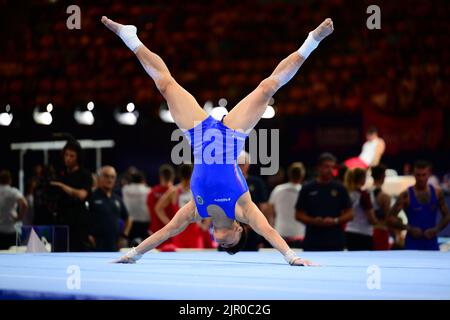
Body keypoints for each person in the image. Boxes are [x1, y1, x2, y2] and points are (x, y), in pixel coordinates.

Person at [102, 15, 335, 266]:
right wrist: (292, 257)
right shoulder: (243, 209)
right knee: (267, 88)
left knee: (166, 85)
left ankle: (129, 37)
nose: (221, 242)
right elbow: (268, 231)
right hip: (231, 136)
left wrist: (132, 255)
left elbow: (165, 232)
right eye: (228, 243)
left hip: (200, 138)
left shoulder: (195, 210)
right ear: (239, 229)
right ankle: (311, 41)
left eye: (220, 245)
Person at [296, 153, 353, 251]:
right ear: (318, 168)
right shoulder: (307, 188)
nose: (330, 170)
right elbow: (299, 214)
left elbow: (350, 214)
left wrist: (335, 220)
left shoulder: (340, 188)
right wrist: (313, 221)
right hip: (312, 240)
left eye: (332, 167)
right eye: (327, 167)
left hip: (335, 241)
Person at [388, 160, 450, 250]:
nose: (421, 178)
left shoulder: (437, 193)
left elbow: (447, 216)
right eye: (418, 175)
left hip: (431, 241)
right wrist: (409, 228)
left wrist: (436, 229)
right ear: (414, 174)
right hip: (413, 242)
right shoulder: (406, 195)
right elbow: (390, 218)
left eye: (424, 175)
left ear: (429, 174)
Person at [50, 140, 93, 251]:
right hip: (61, 222)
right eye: (66, 155)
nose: (68, 158)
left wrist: (61, 186)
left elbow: (82, 195)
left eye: (72, 156)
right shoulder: (60, 173)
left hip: (78, 224)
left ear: (78, 157)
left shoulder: (85, 174)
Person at [88, 166, 132, 251]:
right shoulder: (91, 197)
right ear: (99, 178)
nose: (109, 180)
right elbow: (83, 218)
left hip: (114, 246)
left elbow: (128, 218)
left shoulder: (117, 198)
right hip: (95, 246)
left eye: (112, 177)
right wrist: (88, 236)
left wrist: (124, 236)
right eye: (106, 176)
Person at [237, 151, 269, 250]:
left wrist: (252, 225)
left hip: (252, 232)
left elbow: (263, 207)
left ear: (248, 164)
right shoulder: (226, 182)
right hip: (231, 230)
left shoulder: (257, 183)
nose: (241, 166)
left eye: (243, 164)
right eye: (238, 164)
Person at [268, 162, 306, 248]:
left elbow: (269, 212)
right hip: (299, 233)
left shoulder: (278, 189)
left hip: (280, 232)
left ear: (289, 174)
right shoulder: (304, 190)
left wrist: (270, 228)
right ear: (302, 175)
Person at [344, 168, 378, 250]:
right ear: (361, 179)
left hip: (349, 231)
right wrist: (378, 222)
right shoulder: (363, 195)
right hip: (363, 233)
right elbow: (371, 219)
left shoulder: (348, 193)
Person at [146, 164, 176, 249]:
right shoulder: (175, 192)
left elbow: (150, 213)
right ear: (173, 177)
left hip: (156, 234)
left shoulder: (152, 193)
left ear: (160, 177)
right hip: (171, 233)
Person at [0, 170, 28, 250]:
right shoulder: (13, 191)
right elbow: (25, 204)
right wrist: (19, 217)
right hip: (11, 228)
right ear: (9, 180)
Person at [122, 170, 151, 245]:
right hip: (144, 222)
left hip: (130, 223)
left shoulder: (125, 189)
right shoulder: (148, 190)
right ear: (143, 180)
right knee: (144, 245)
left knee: (130, 245)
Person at [369, 164, 392, 250]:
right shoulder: (384, 196)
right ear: (383, 176)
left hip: (366, 232)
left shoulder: (364, 193)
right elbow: (388, 217)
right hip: (380, 230)